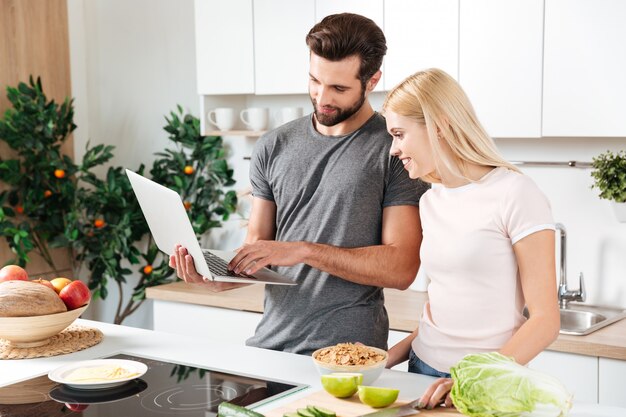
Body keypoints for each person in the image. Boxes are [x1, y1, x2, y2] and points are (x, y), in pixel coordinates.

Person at [170, 13, 429, 355]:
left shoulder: (394, 149)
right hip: (269, 347)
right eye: (314, 81)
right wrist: (216, 278)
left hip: (349, 357)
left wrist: (304, 250)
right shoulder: (273, 145)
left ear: (372, 81)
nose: (322, 97)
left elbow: (401, 269)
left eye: (339, 88)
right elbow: (257, 248)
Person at [382, 68, 560, 409]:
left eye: (400, 134)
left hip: (486, 386)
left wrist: (470, 381)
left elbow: (545, 320)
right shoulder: (430, 200)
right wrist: (386, 359)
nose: (393, 148)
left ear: (438, 126)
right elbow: (444, 307)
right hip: (421, 373)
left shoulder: (515, 193)